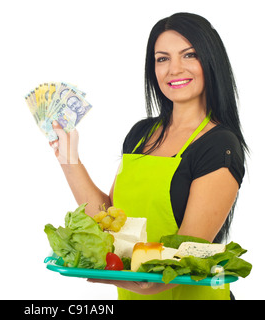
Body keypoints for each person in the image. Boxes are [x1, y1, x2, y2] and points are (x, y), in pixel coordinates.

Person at [49, 12, 247, 300]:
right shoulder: (142, 134)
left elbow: (184, 261)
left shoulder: (219, 146)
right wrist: (68, 159)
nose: (174, 69)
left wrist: (107, 275)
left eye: (189, 55)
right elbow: (109, 219)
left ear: (210, 61)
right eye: (162, 58)